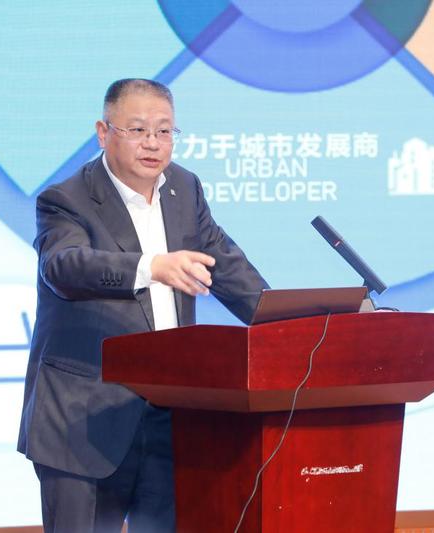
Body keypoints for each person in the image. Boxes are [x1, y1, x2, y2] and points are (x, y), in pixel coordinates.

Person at [17, 78, 269, 532]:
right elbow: (64, 267)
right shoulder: (66, 200)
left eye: (164, 131)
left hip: (170, 420)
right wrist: (150, 267)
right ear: (103, 132)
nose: (152, 143)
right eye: (137, 130)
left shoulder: (184, 189)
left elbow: (229, 270)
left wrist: (296, 321)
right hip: (85, 423)